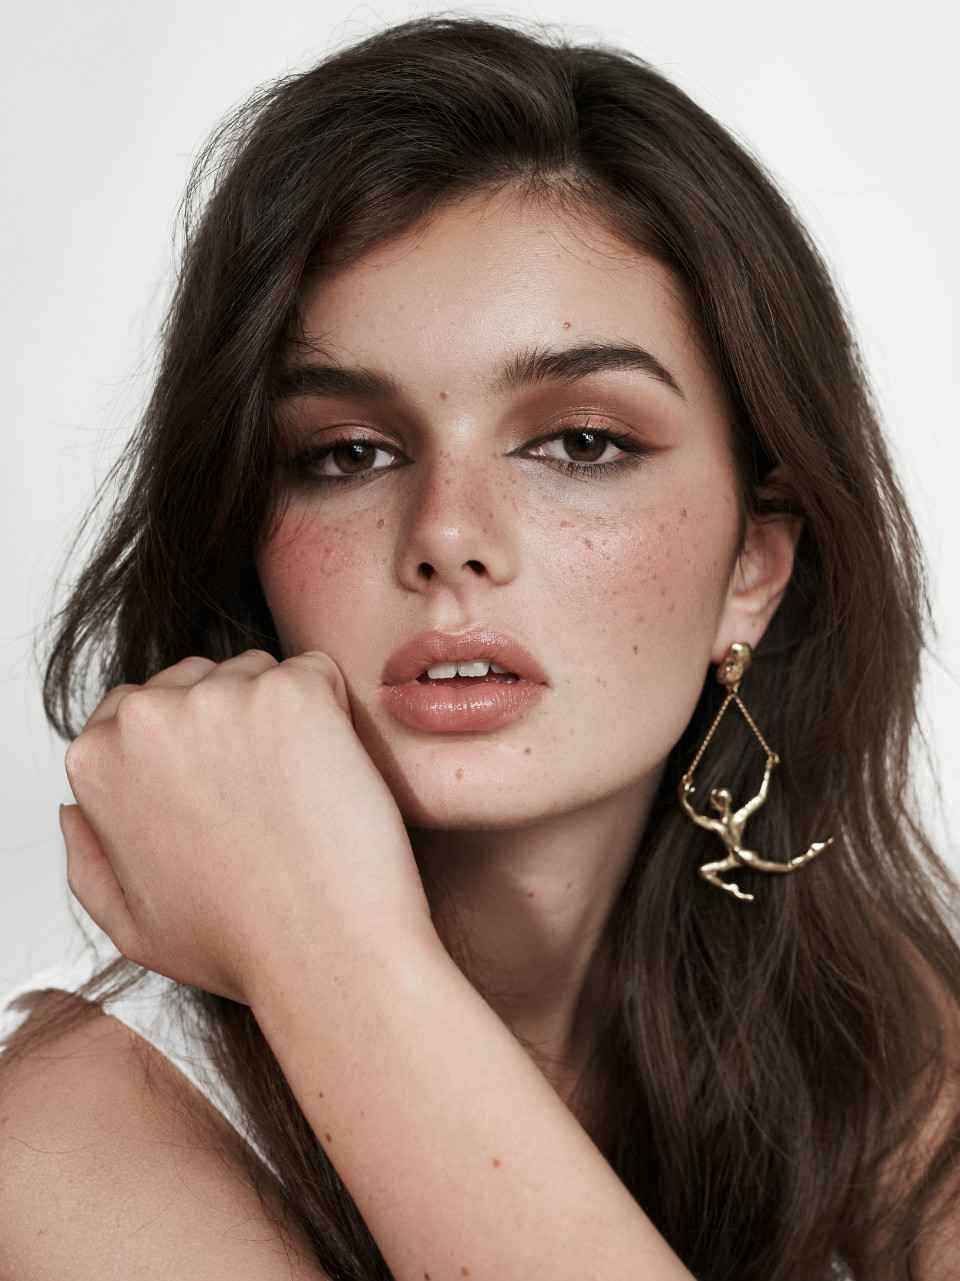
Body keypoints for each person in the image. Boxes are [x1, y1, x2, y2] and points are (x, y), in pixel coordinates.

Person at [0, 17, 957, 1280]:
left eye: (582, 444)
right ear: (248, 544)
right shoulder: (60, 1152)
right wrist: (323, 952)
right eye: (348, 454)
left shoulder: (870, 1013)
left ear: (753, 569)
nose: (447, 534)